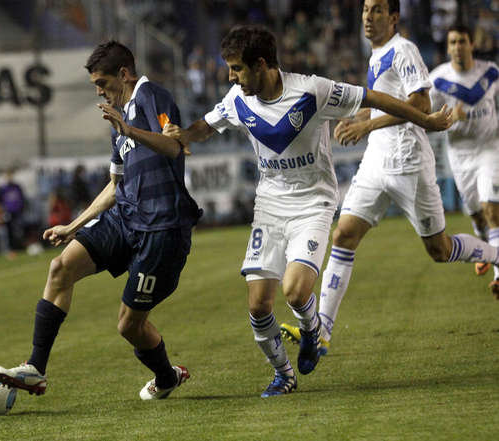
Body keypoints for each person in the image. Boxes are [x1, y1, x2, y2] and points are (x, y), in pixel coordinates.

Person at [163, 24, 453, 397]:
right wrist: (183, 135)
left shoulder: (313, 90)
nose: (230, 76)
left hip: (314, 201)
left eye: (236, 68)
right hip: (269, 204)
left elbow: (375, 98)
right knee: (257, 305)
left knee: (296, 292)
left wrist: (425, 119)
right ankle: (284, 375)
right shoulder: (238, 98)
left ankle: (312, 330)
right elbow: (206, 126)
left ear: (262, 64)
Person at [281, 0, 499, 357]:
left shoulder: (404, 50)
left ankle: (496, 253)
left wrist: (367, 124)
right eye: (366, 9)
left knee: (439, 249)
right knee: (344, 234)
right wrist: (361, 116)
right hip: (377, 160)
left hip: (409, 163)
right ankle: (322, 331)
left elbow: (420, 105)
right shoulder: (377, 54)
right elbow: (390, 101)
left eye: (378, 10)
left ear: (394, 18)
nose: (368, 15)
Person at [0, 41, 201, 401]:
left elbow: (174, 147)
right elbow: (115, 184)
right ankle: (35, 370)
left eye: (103, 83)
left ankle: (167, 376)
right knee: (61, 268)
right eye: (96, 86)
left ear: (124, 74)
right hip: (126, 217)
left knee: (129, 325)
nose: (100, 92)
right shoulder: (116, 121)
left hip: (162, 230)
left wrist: (129, 129)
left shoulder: (152, 97)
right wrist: (73, 225)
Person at [429, 24, 499, 298]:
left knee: (491, 209)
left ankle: (498, 275)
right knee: (477, 216)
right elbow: (425, 119)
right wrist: (450, 119)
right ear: (448, 48)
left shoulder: (491, 73)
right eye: (453, 42)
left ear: (472, 44)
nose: (458, 46)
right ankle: (485, 248)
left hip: (489, 148)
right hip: (459, 155)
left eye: (462, 41)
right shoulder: (437, 81)